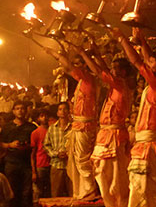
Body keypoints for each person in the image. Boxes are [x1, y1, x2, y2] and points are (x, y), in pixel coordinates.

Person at [111, 27, 156, 207]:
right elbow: (146, 59)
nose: (148, 62)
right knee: (144, 189)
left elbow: (138, 62)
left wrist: (122, 38)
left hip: (150, 146)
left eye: (152, 62)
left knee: (145, 191)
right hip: (146, 144)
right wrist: (142, 40)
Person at [78, 47, 133, 207]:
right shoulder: (116, 85)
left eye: (116, 68)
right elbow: (103, 69)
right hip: (106, 134)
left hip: (115, 136)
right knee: (101, 173)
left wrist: (84, 54)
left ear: (123, 72)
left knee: (116, 179)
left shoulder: (120, 85)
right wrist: (96, 53)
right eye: (113, 68)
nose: (113, 71)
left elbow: (98, 71)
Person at [44, 48, 99, 200]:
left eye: (78, 64)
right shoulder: (82, 81)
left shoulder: (88, 79)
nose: (75, 67)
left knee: (82, 159)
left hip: (84, 126)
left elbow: (68, 67)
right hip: (79, 125)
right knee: (76, 159)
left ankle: (88, 190)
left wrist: (55, 54)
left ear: (85, 65)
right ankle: (82, 190)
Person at [0, 101, 37, 207]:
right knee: (12, 192)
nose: (20, 111)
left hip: (26, 163)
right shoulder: (7, 127)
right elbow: (1, 144)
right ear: (13, 111)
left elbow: (35, 145)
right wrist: (10, 145)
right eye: (17, 108)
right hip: (11, 162)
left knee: (26, 193)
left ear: (26, 111)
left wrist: (26, 146)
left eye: (22, 108)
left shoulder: (31, 127)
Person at [43, 102, 72, 198]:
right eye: (60, 109)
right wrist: (56, 154)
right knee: (56, 194)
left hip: (71, 165)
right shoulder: (52, 129)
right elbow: (46, 146)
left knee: (73, 193)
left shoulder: (74, 128)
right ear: (57, 113)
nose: (63, 111)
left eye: (65, 109)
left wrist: (69, 153)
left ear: (69, 111)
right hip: (57, 164)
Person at [30, 109, 51, 199]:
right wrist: (34, 171)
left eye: (46, 115)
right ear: (38, 118)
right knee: (39, 191)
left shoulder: (53, 130)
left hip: (52, 164)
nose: (45, 118)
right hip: (40, 165)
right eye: (42, 116)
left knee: (49, 190)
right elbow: (33, 154)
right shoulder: (36, 133)